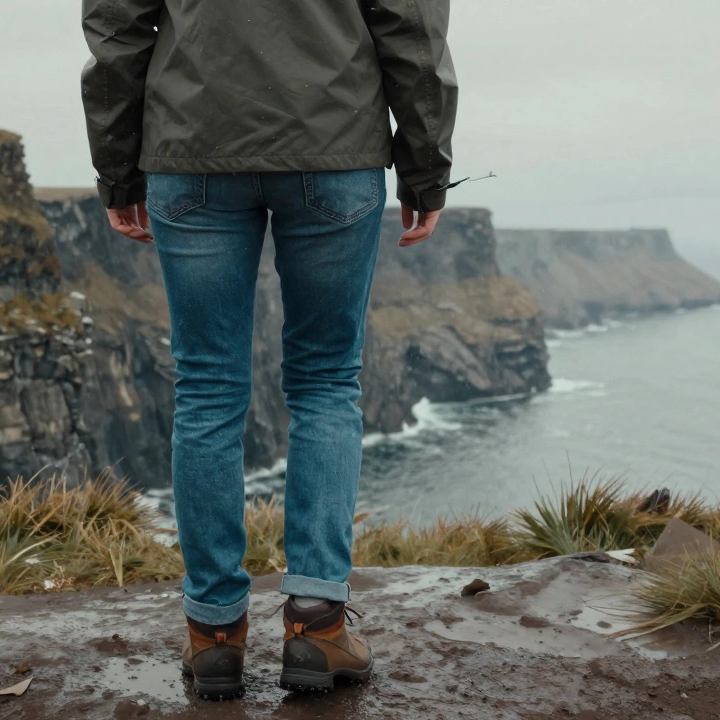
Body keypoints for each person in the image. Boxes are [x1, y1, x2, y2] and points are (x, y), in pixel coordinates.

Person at [80, 0, 457, 699]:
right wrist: (425, 168)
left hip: (192, 152)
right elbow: (410, 24)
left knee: (208, 388)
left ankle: (214, 637)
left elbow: (116, 25)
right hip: (333, 147)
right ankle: (316, 628)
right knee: (325, 381)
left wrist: (117, 169)